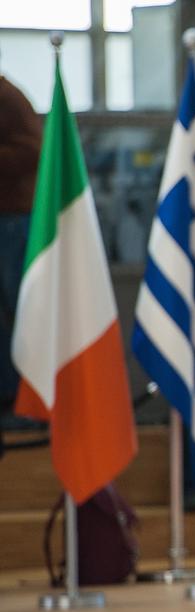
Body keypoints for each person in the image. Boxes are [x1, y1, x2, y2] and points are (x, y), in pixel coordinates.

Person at [0, 68, 42, 423]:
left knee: (20, 309)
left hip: (12, 219)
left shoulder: (7, 97)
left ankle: (27, 400)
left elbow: (33, 150)